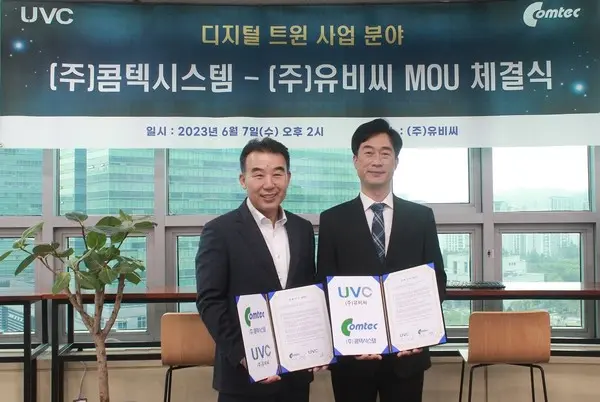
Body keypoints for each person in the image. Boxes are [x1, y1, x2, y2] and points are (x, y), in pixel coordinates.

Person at [316, 118, 447, 402]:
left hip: (407, 356)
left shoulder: (421, 217)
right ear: (355, 161)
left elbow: (436, 280)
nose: (377, 161)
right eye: (368, 152)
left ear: (396, 162)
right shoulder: (333, 220)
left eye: (385, 153)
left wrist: (421, 334)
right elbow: (325, 286)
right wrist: (348, 340)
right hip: (353, 359)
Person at [195, 137, 321, 402]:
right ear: (243, 180)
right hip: (244, 378)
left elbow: (308, 293)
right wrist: (245, 356)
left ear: (288, 178)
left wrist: (317, 344)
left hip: (296, 376)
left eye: (277, 174)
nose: (269, 184)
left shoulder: (302, 229)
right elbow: (210, 301)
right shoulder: (219, 231)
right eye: (259, 174)